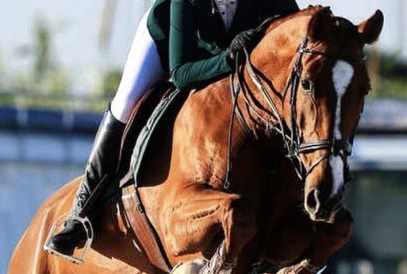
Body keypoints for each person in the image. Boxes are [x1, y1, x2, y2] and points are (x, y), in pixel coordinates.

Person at [46, 0, 300, 259]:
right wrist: (227, 59)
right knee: (125, 103)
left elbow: (299, 38)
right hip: (167, 44)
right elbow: (180, 73)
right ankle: (80, 214)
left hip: (229, 58)